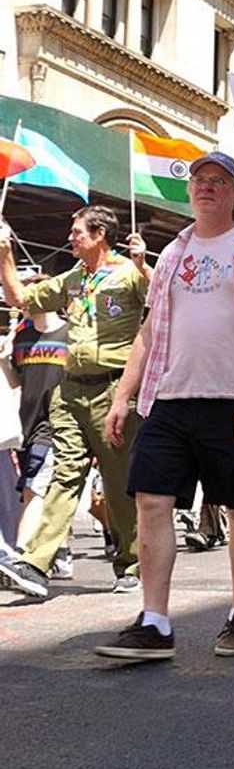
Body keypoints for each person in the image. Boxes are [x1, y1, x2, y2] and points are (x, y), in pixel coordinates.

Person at [93, 152, 234, 660]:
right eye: (200, 180)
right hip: (170, 398)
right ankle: (155, 620)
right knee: (150, 500)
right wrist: (123, 394)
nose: (207, 188)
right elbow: (150, 329)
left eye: (219, 181)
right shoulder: (174, 252)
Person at [0, 206, 150, 599]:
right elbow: (19, 298)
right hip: (69, 390)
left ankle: (131, 563)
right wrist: (5, 255)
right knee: (63, 475)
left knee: (118, 485)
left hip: (114, 391)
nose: (70, 237)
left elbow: (162, 302)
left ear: (100, 234)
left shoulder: (128, 273)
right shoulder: (71, 279)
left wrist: (143, 264)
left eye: (77, 231)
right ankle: (35, 563)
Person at [4, 282, 68, 554]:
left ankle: (21, 555)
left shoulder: (71, 334)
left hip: (56, 425)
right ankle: (61, 552)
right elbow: (18, 381)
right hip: (27, 426)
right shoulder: (22, 337)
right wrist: (3, 362)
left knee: (34, 489)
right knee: (48, 491)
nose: (23, 301)